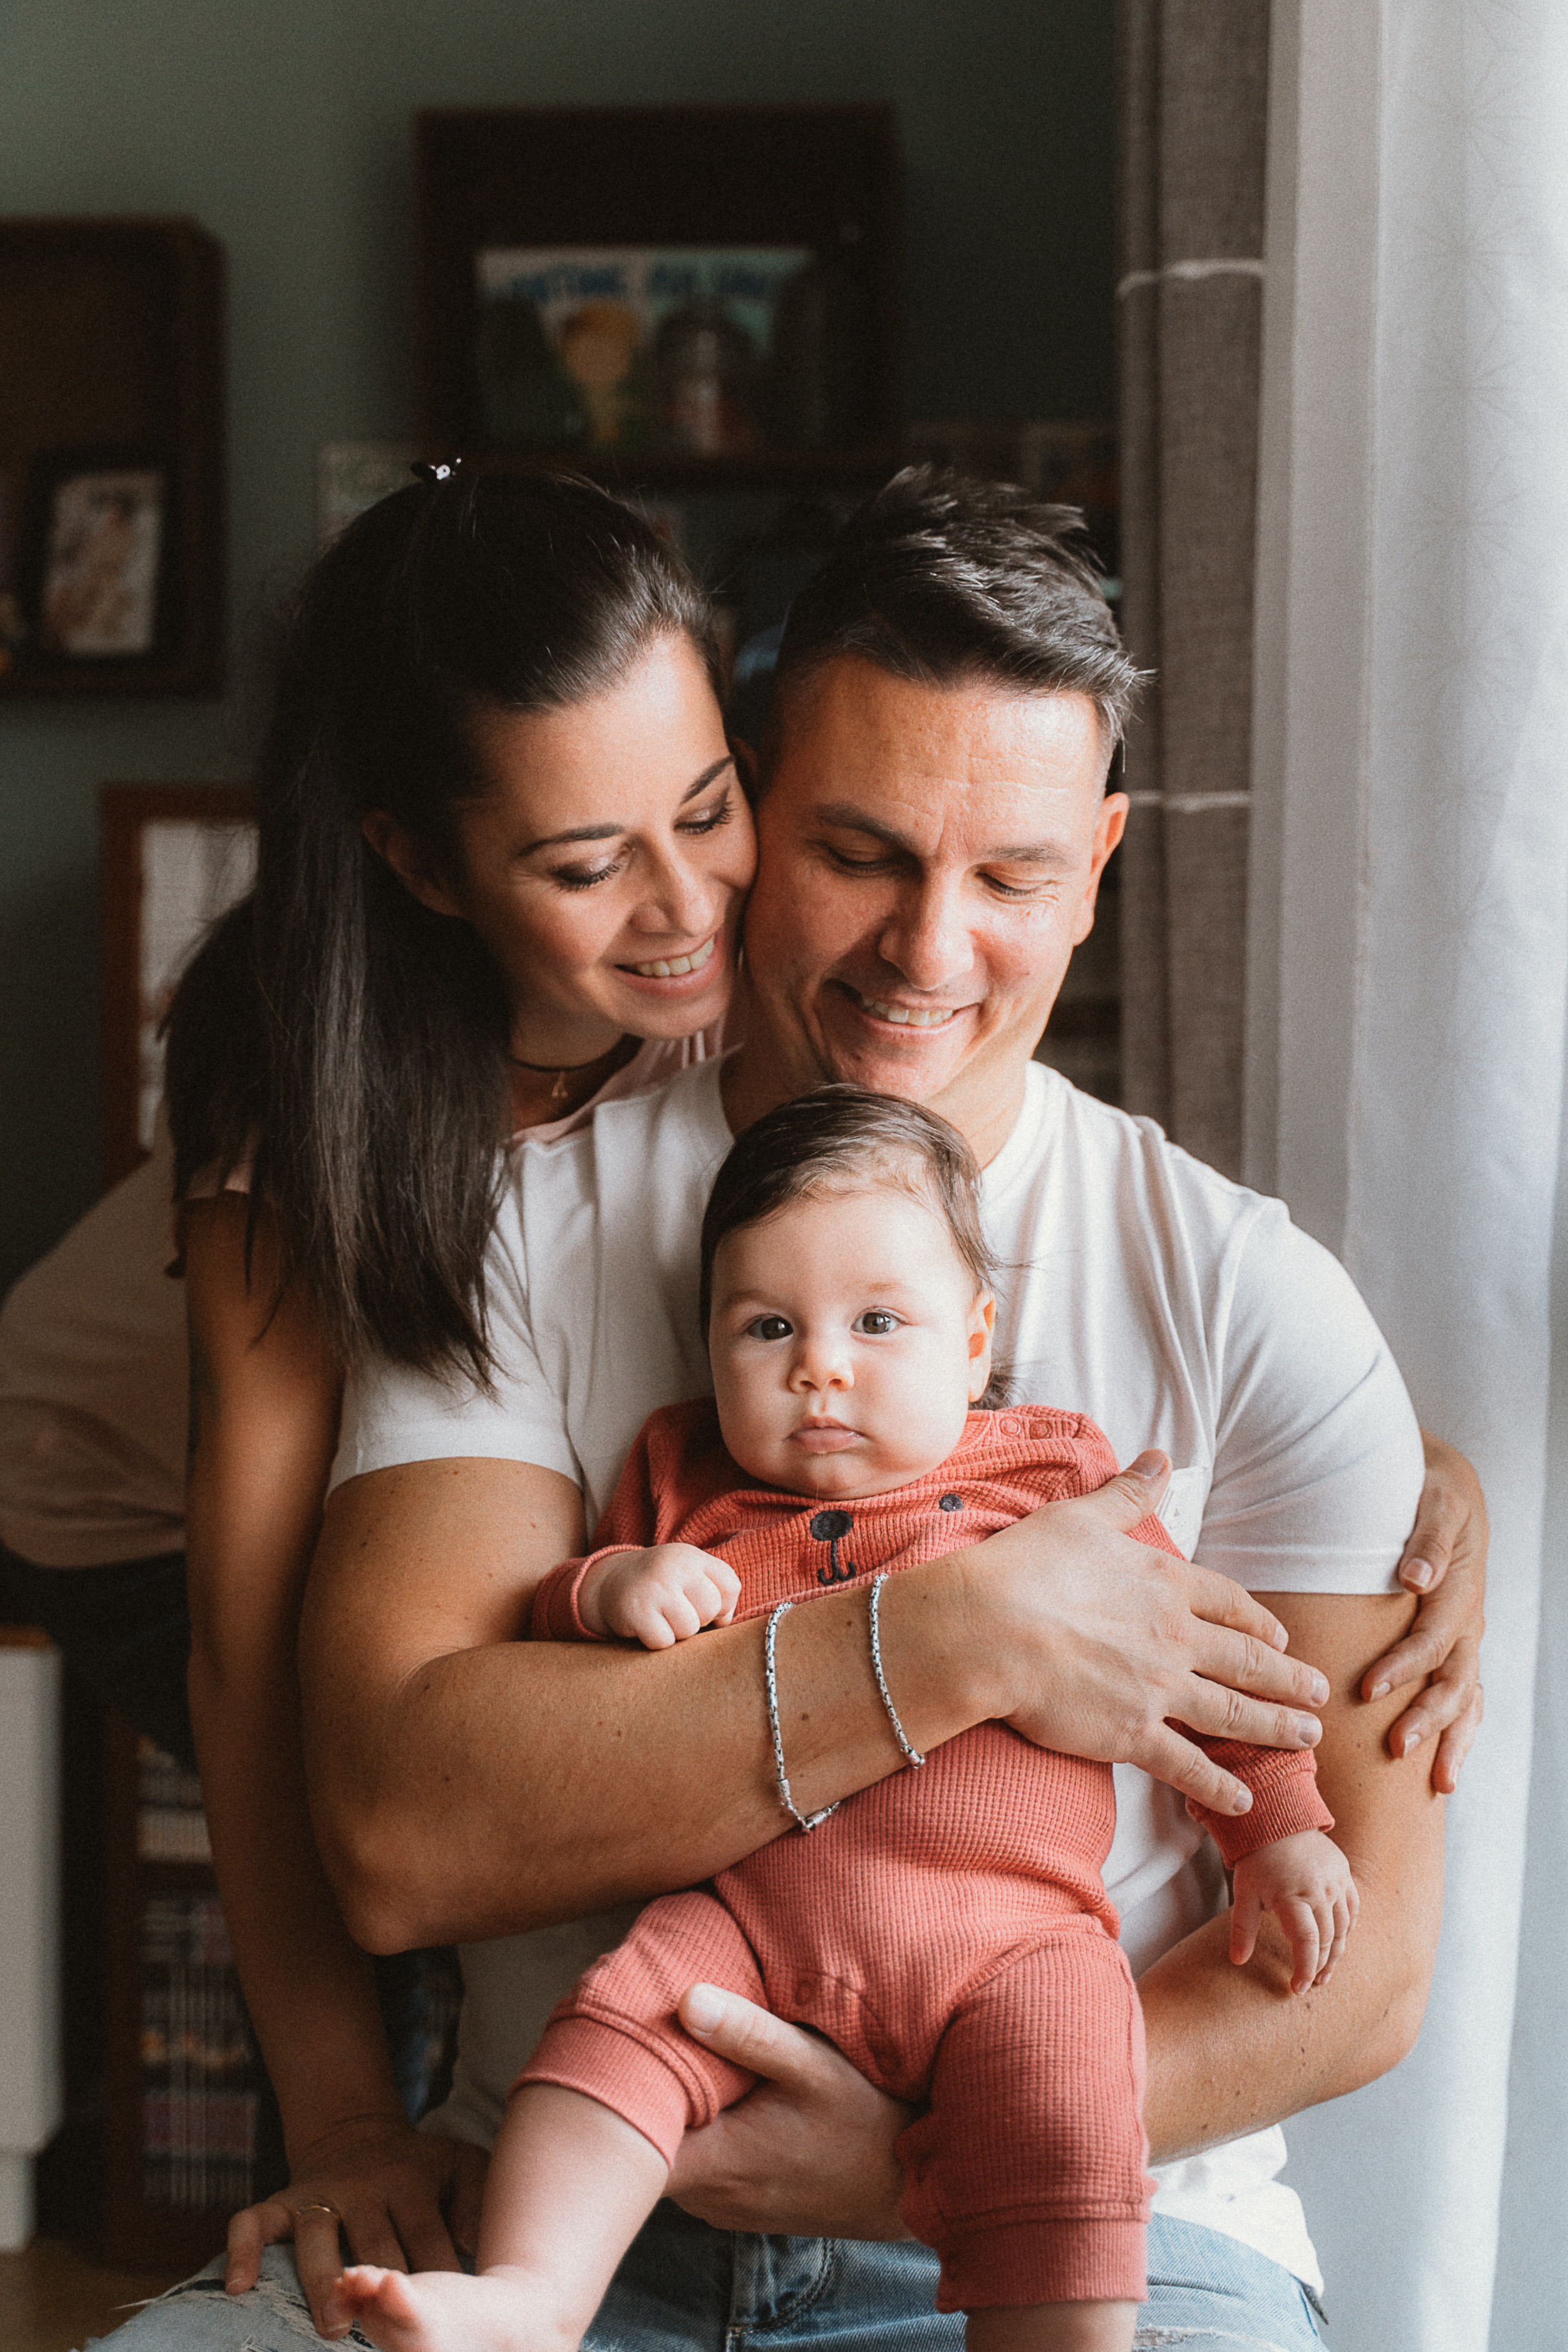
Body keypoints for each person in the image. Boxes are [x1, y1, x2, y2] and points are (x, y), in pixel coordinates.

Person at [253, 468, 1482, 2352]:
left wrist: (914, 2155)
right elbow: (404, 1822)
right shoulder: (514, 1219)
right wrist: (954, 1635)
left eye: (1012, 875)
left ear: (1105, 860)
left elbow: (1369, 1966)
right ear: (748, 800)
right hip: (588, 2197)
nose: (928, 949)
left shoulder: (1256, 1304)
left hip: (1107, 2213)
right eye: (862, 849)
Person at [0, 464, 753, 2282]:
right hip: (104, 1496)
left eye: (709, 806)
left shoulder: (733, 931)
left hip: (412, 1471)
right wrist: (345, 2124)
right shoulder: (299, 1058)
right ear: (417, 862)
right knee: (395, 1877)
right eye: (584, 865)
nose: (682, 904)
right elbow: (250, 1647)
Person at [339, 1088, 1356, 2352]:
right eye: (767, 1326)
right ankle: (534, 2296)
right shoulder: (686, 1479)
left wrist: (1283, 1834)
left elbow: (1211, 1673)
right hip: (752, 1927)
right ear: (706, 1342)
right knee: (611, 2032)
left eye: (879, 1322)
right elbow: (553, 1653)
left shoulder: (1052, 1484)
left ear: (976, 1337)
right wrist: (606, 1587)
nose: (820, 1365)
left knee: (1068, 2118)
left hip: (1014, 1938)